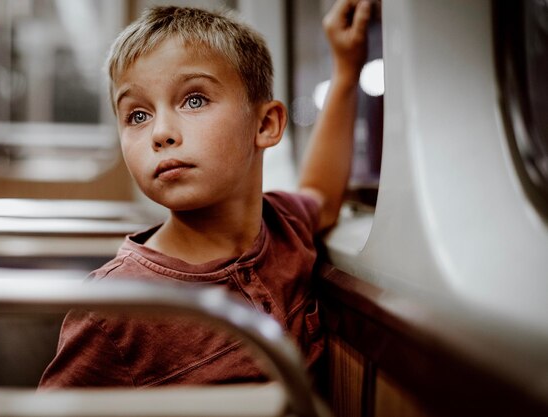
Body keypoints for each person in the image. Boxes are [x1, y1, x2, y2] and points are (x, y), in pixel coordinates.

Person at [39, 0, 371, 388]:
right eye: (137, 115)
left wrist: (346, 70)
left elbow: (322, 195)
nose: (161, 132)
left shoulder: (285, 226)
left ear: (265, 124)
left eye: (194, 100)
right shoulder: (116, 307)